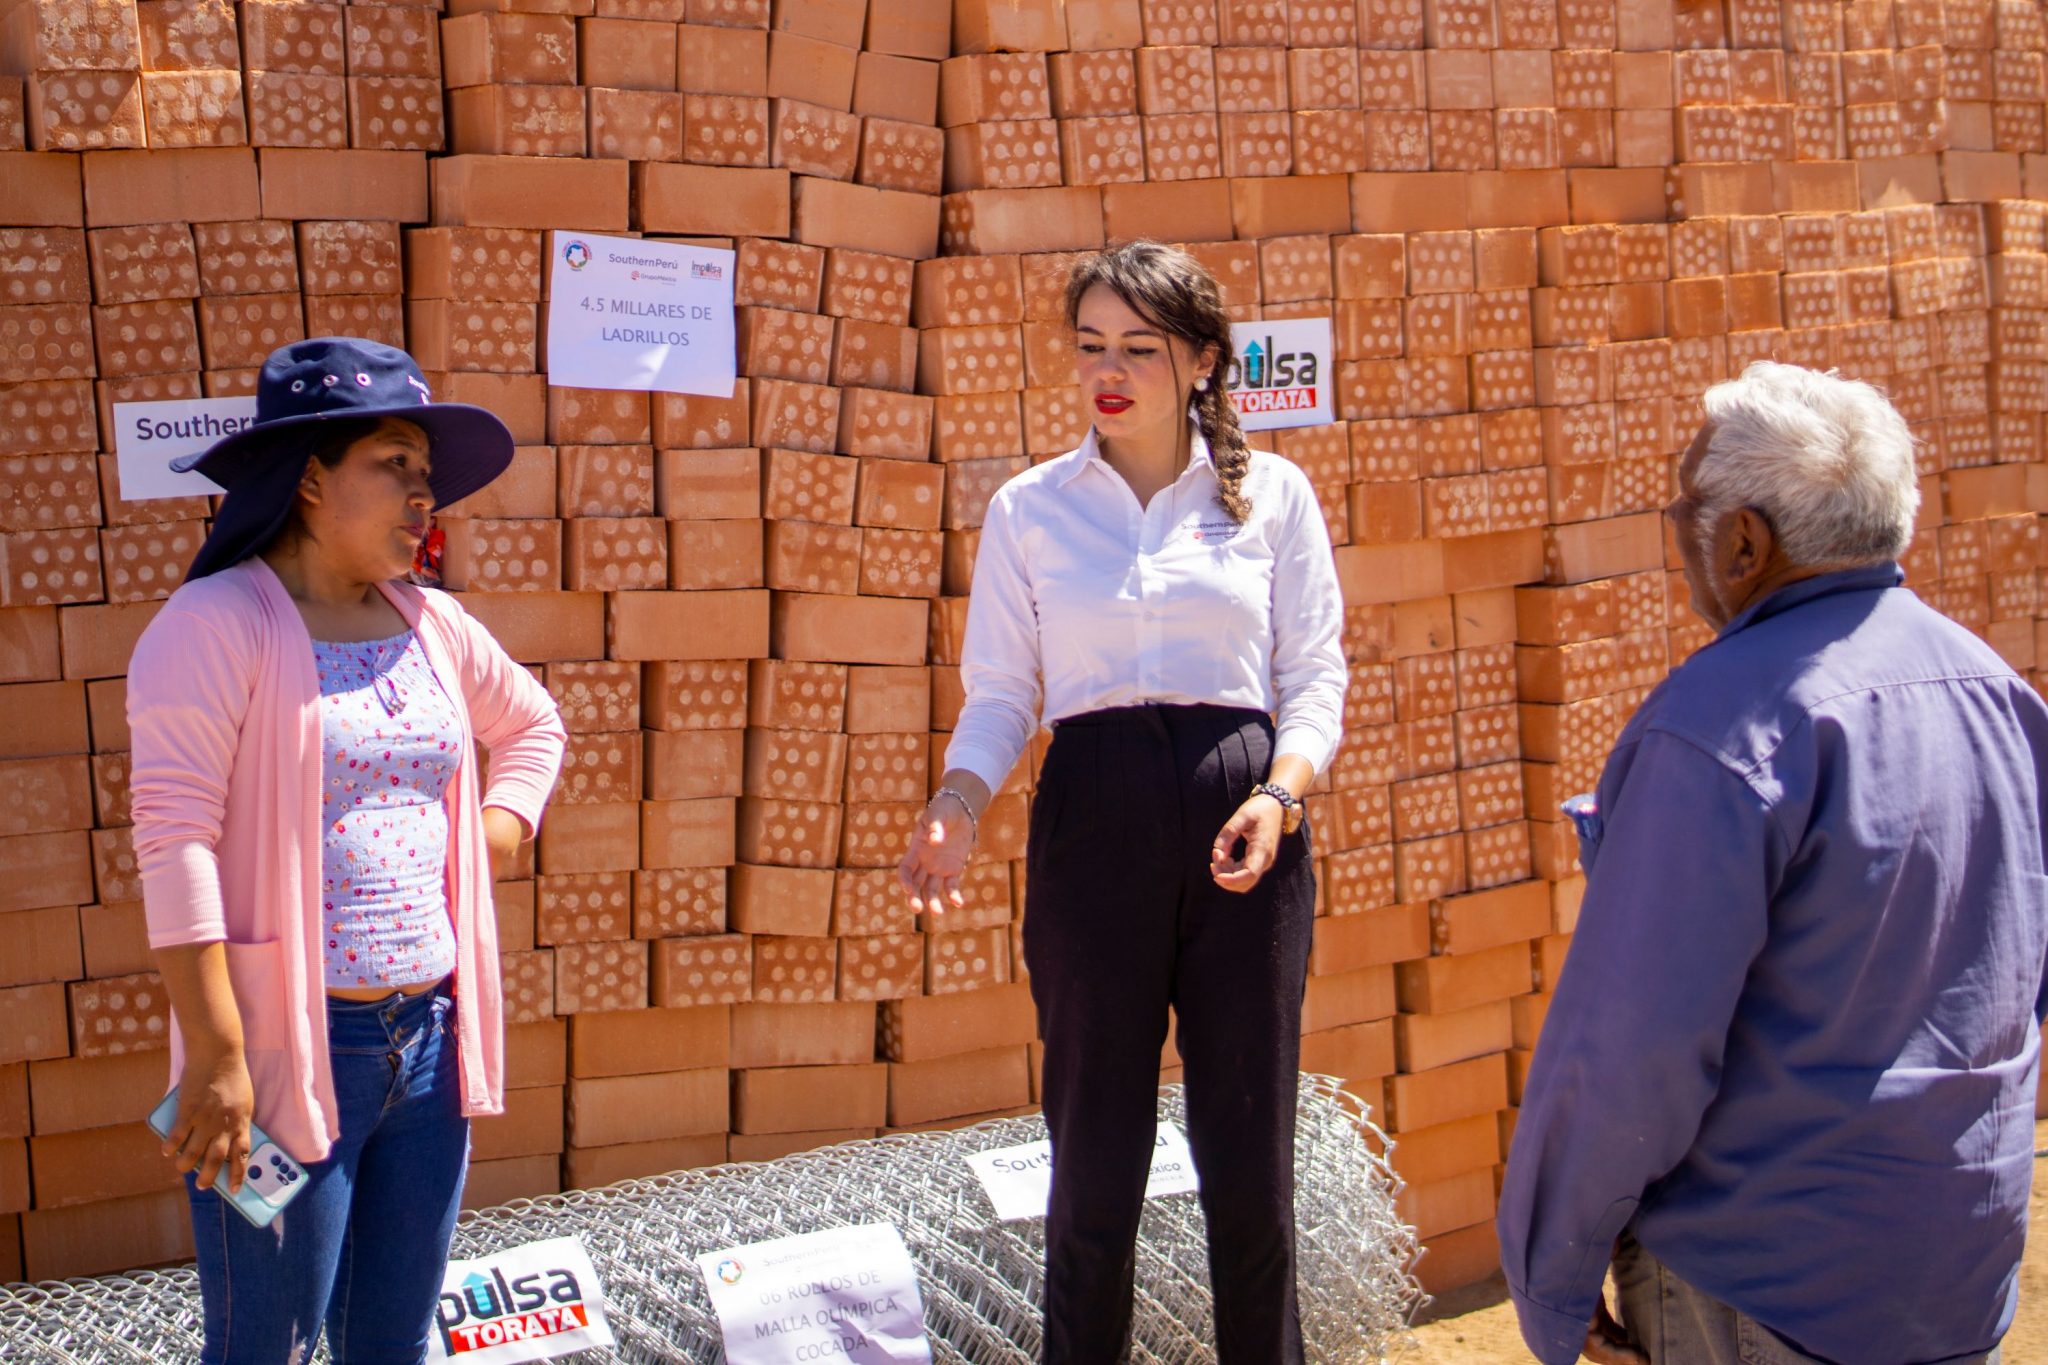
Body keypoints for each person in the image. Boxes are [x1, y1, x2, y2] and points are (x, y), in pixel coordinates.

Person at [1499, 362, 2048, 1365]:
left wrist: (1554, 1271)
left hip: (1761, 1280)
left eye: (1684, 508)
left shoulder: (1720, 724)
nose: (1675, 530)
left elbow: (1629, 1049)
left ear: (1745, 542)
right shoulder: (1995, 693)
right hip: (1956, 1267)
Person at [897, 240, 1347, 1364]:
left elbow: (1314, 679)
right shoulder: (1030, 509)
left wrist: (1279, 797)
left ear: (1202, 361)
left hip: (1245, 832)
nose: (1109, 370)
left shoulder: (1274, 496)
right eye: (1091, 345)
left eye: (1139, 349)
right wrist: (956, 801)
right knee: (1092, 1161)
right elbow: (1003, 693)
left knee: (1249, 1161)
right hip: (1092, 829)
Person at [129, 337, 567, 1364]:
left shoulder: (434, 624)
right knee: (265, 1347)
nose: (424, 495)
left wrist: (487, 838)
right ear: (311, 478)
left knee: (392, 1344)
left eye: (426, 472)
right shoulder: (214, 624)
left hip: (430, 1044)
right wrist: (220, 1056)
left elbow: (533, 727)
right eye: (395, 463)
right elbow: (175, 837)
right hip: (283, 1053)